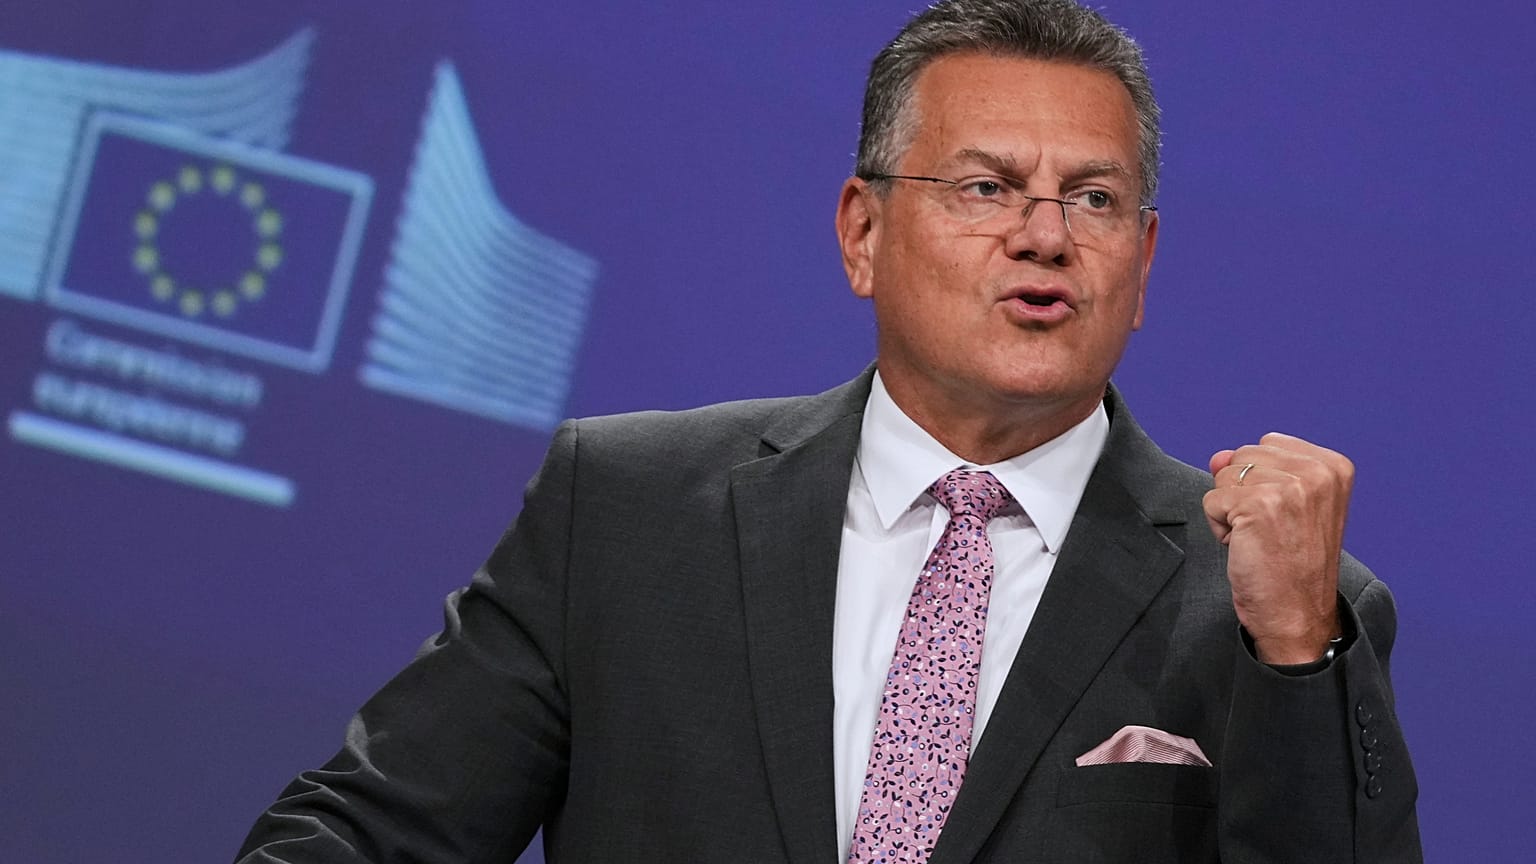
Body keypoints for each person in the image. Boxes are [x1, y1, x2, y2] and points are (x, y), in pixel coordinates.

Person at [236, 1, 1421, 861]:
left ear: (1144, 262)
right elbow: (368, 836)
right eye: (986, 187)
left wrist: (1295, 651)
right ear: (861, 231)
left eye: (1095, 199)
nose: (1046, 236)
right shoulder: (631, 509)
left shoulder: (1276, 605)